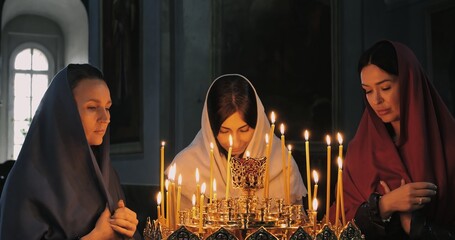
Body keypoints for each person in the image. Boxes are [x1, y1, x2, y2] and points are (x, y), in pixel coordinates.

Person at [0, 64, 139, 239]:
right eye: (92, 107)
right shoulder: (26, 181)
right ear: (64, 113)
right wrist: (95, 237)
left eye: (107, 107)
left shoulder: (107, 173)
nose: (105, 118)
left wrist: (127, 227)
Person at [336, 40, 455, 239]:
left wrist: (416, 227)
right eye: (368, 91)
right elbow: (339, 224)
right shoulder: (361, 150)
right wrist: (384, 205)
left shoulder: (449, 145)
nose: (376, 100)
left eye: (385, 87)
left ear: (409, 83)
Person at [168, 74, 306, 209]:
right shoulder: (185, 167)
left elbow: (294, 226)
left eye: (244, 130)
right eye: (224, 131)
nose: (234, 141)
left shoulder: (281, 163)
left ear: (258, 126)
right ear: (210, 128)